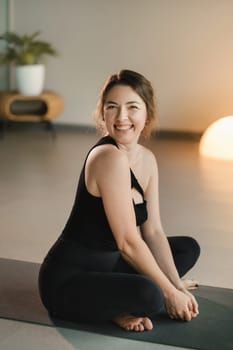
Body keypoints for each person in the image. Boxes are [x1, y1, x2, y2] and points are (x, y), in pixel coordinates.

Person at [39, 69, 200, 332]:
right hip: (69, 281)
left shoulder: (147, 158)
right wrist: (168, 292)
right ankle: (114, 309)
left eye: (132, 107)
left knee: (187, 248)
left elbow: (153, 230)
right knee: (152, 295)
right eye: (112, 107)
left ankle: (119, 296)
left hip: (110, 268)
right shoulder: (107, 157)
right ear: (103, 113)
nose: (122, 117)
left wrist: (176, 285)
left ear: (147, 112)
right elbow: (127, 242)